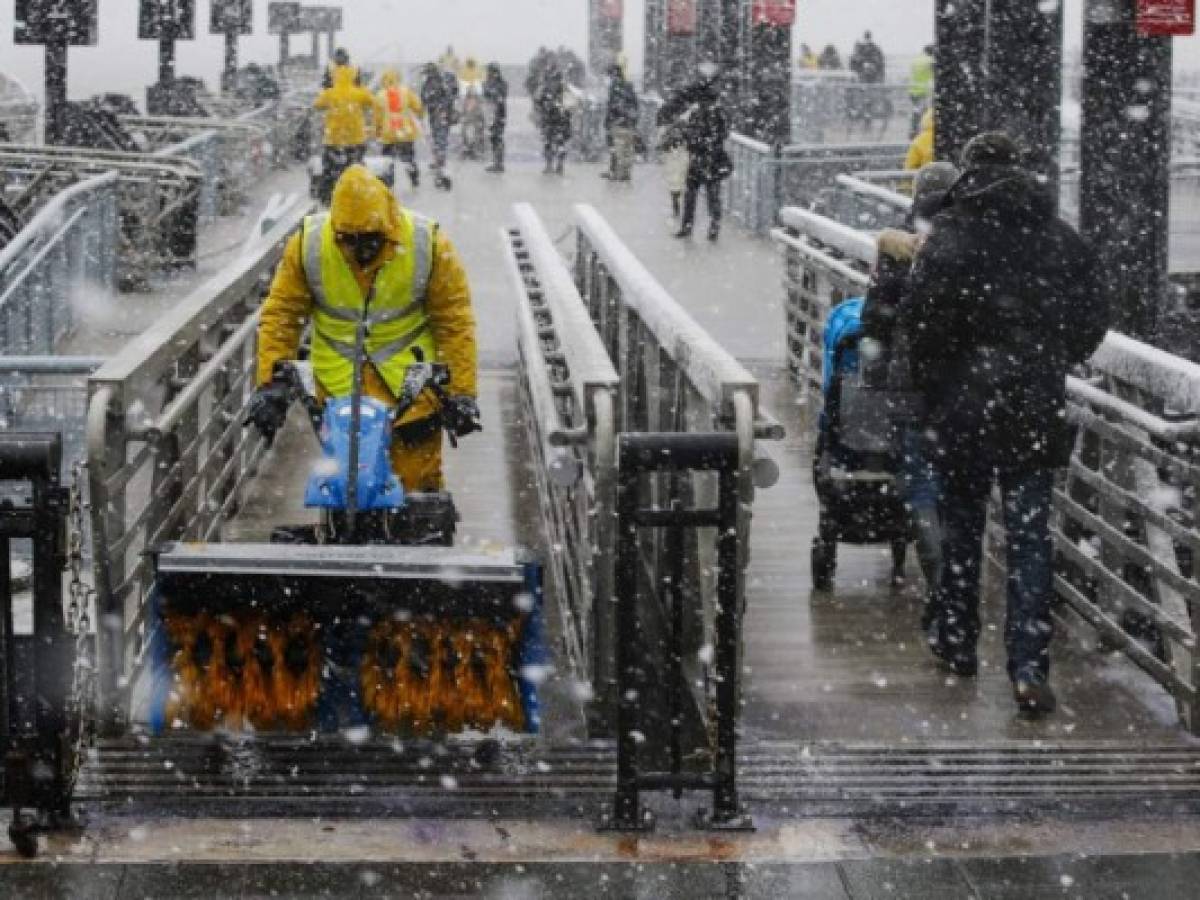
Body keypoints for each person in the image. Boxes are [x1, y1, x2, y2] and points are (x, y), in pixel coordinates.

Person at [902, 132, 1110, 714]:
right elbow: (1093, 316)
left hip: (962, 410)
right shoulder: (1059, 240)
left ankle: (958, 641)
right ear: (1022, 170)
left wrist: (940, 386)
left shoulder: (946, 240)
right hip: (1033, 404)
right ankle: (1027, 668)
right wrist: (1050, 356)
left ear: (967, 173)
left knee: (963, 527)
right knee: (1028, 538)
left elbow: (918, 327)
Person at [247, 165, 480, 493]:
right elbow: (282, 316)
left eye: (371, 239)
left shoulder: (427, 243)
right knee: (347, 486)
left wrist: (461, 392)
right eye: (349, 240)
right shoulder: (310, 244)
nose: (361, 250)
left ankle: (412, 535)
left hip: (413, 390)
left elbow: (454, 320)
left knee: (414, 488)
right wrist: (270, 384)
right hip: (340, 387)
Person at [859, 161, 960, 605]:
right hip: (957, 383)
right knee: (956, 481)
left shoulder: (896, 244)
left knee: (918, 479)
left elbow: (876, 316)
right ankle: (957, 577)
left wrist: (876, 374)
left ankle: (938, 581)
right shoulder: (965, 241)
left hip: (908, 379)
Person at [659, 61, 732, 241]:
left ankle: (689, 226)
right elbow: (722, 134)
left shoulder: (702, 112)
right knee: (709, 194)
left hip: (701, 156)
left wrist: (689, 138)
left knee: (694, 193)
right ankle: (711, 226)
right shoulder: (716, 112)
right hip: (710, 157)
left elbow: (695, 131)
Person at [313, 60, 383, 205]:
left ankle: (328, 199)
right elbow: (374, 102)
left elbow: (317, 104)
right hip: (355, 138)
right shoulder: (358, 93)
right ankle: (357, 198)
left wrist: (328, 90)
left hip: (333, 138)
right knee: (356, 170)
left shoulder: (330, 93)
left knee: (330, 170)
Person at [377, 69, 425, 189]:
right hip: (405, 131)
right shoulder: (406, 92)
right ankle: (414, 179)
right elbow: (418, 107)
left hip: (388, 133)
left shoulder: (380, 95)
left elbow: (377, 117)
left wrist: (377, 130)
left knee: (388, 160)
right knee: (409, 157)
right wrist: (420, 115)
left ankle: (388, 183)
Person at [603, 64, 640, 182]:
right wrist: (633, 121)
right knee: (627, 150)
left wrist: (608, 121)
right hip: (629, 123)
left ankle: (617, 172)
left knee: (617, 149)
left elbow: (612, 106)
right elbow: (635, 105)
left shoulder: (615, 87)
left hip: (618, 123)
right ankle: (626, 173)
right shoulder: (629, 87)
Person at [420, 63, 455, 190]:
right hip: (440, 115)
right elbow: (449, 99)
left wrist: (435, 106)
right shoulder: (440, 83)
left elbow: (424, 98)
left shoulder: (433, 84)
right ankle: (439, 159)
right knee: (439, 137)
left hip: (439, 115)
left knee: (439, 138)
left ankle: (440, 160)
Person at [535, 61, 571, 175]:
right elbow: (539, 103)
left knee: (555, 143)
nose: (552, 83)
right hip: (553, 119)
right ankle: (552, 165)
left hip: (557, 119)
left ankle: (555, 165)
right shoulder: (550, 89)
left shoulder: (562, 90)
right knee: (551, 143)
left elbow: (569, 105)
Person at [483, 63, 508, 173]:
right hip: (491, 114)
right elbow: (485, 94)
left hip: (498, 114)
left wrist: (490, 91)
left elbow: (499, 96)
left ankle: (499, 163)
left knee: (497, 138)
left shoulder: (501, 83)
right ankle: (496, 162)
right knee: (493, 139)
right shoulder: (488, 83)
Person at [908, 45, 934, 137]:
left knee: (917, 111)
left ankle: (913, 131)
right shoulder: (930, 61)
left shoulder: (916, 59)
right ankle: (921, 132)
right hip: (923, 91)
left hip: (912, 89)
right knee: (926, 112)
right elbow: (933, 75)